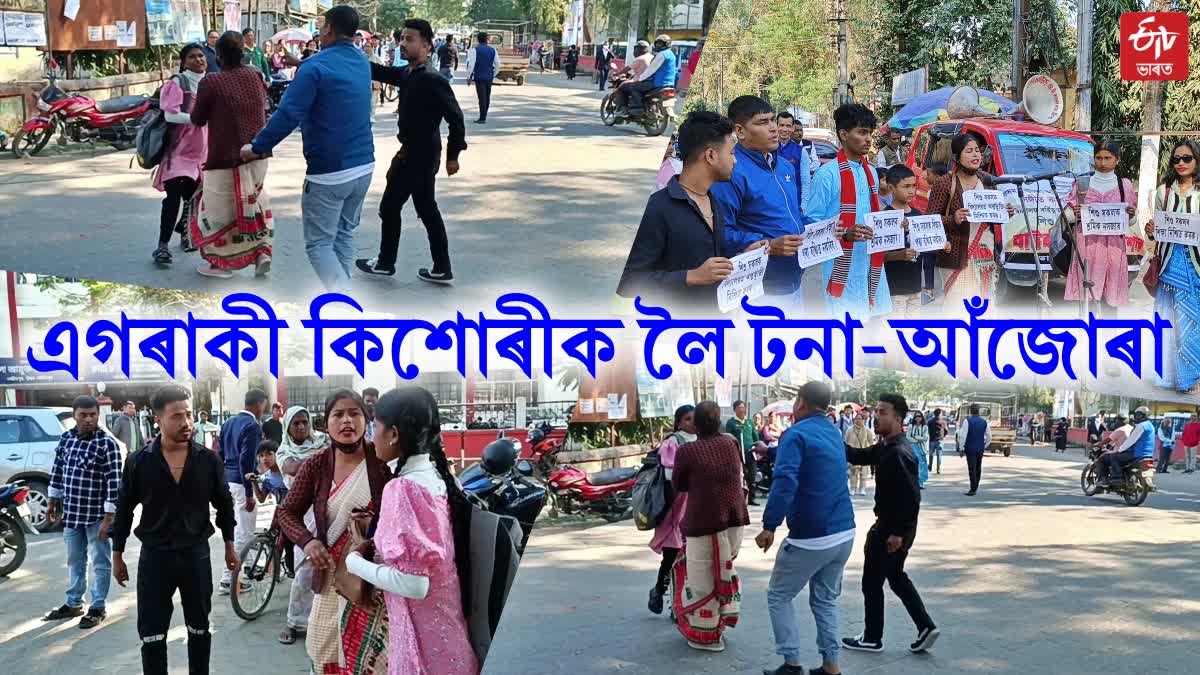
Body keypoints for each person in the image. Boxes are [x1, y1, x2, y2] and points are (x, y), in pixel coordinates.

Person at [344, 387, 479, 674]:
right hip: (446, 636)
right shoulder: (435, 478)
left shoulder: (403, 488)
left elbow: (416, 584)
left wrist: (355, 564)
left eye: (374, 426)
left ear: (393, 435)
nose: (371, 435)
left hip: (424, 645)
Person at [242, 6, 374, 292]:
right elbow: (327, 66)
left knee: (319, 244)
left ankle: (345, 304)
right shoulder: (361, 60)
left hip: (329, 172)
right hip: (364, 165)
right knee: (344, 234)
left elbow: (288, 115)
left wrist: (257, 147)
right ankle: (344, 290)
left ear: (327, 29)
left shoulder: (315, 68)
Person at [111, 385, 238, 675]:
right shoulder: (138, 462)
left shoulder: (208, 460)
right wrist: (117, 554)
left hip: (196, 555)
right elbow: (124, 509)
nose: (186, 423)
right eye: (177, 416)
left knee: (199, 627)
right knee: (152, 633)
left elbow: (224, 504)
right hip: (155, 558)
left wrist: (230, 546)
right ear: (158, 418)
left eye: (189, 415)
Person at [275, 389, 392, 673]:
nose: (346, 421)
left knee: (371, 659)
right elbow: (286, 511)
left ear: (367, 420)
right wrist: (308, 542)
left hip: (372, 581)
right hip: (329, 577)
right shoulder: (317, 465)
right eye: (338, 414)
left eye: (354, 413)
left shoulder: (382, 462)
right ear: (326, 423)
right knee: (322, 648)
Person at [358, 18, 466, 286]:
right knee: (427, 209)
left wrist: (453, 155)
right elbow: (381, 72)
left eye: (409, 39)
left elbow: (456, 118)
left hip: (418, 154)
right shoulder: (408, 73)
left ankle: (385, 262)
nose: (402, 44)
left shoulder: (432, 79)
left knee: (390, 207)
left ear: (427, 45)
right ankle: (441, 267)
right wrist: (351, 55)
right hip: (416, 152)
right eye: (402, 39)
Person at [756, 381, 855, 675]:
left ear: (800, 403)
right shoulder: (834, 432)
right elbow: (814, 461)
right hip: (844, 531)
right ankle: (831, 666)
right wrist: (773, 451)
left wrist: (769, 525)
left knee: (778, 596)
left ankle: (791, 663)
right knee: (824, 601)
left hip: (812, 536)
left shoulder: (795, 433)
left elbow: (786, 481)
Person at [618, 111, 760, 314]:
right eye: (731, 153)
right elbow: (628, 281)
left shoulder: (714, 202)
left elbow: (707, 253)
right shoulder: (658, 208)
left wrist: (744, 252)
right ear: (711, 155)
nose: (735, 161)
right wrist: (690, 276)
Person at [842, 394, 939, 656]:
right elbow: (860, 456)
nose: (876, 415)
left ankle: (873, 638)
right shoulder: (887, 445)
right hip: (895, 527)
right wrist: (833, 442)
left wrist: (897, 532)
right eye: (876, 411)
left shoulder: (899, 452)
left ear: (898, 417)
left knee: (872, 582)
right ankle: (925, 627)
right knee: (895, 577)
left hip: (891, 529)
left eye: (882, 412)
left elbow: (911, 497)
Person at [188, 30, 271, 280]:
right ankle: (261, 254)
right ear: (243, 52)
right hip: (258, 154)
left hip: (224, 157)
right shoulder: (254, 74)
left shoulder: (211, 82)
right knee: (253, 204)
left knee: (218, 213)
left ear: (219, 55)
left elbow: (197, 118)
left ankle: (220, 264)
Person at [711, 96, 806, 309]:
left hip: (796, 279)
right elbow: (719, 231)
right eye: (763, 122)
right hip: (760, 289)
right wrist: (768, 245)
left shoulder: (784, 167)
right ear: (740, 131)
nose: (774, 128)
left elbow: (794, 216)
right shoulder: (732, 171)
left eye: (773, 120)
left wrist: (827, 229)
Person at [671, 401, 750, 652]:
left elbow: (679, 485)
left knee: (702, 581)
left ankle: (705, 636)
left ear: (696, 424)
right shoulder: (731, 442)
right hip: (733, 521)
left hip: (703, 523)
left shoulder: (687, 452)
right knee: (723, 571)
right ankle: (720, 625)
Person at [40, 395, 123, 629]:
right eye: (83, 415)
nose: (88, 419)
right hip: (73, 514)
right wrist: (53, 500)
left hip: (97, 517)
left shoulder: (107, 444)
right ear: (74, 416)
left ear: (98, 415)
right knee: (75, 560)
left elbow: (114, 484)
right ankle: (74, 602)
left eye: (93, 415)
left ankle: (98, 606)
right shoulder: (66, 439)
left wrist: (109, 519)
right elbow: (57, 471)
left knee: (100, 561)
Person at [808, 103, 892, 318]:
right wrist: (845, 234)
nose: (869, 139)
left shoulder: (871, 172)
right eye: (862, 132)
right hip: (840, 265)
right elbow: (811, 225)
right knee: (844, 329)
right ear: (844, 134)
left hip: (870, 261)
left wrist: (891, 222)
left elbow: (872, 214)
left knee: (872, 325)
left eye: (870, 133)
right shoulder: (826, 175)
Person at [926, 133, 1013, 308]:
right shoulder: (944, 183)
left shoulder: (987, 181)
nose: (976, 155)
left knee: (984, 305)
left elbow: (989, 220)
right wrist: (953, 218)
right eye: (969, 151)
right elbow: (929, 222)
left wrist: (1003, 214)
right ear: (957, 157)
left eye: (977, 151)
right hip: (956, 256)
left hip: (984, 256)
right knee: (957, 307)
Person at [1146, 140, 1200, 394]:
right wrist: (1151, 230)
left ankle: (1189, 378)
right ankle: (1165, 375)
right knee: (1166, 320)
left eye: (1186, 158)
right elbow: (1156, 228)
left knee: (1191, 323)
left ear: (1196, 161)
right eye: (1176, 159)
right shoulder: (1163, 192)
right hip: (1168, 266)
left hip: (1195, 269)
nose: (1181, 163)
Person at [274, 405, 330, 645]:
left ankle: (322, 622)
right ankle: (294, 621)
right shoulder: (284, 450)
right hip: (300, 513)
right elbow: (292, 468)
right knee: (304, 569)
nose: (301, 427)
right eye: (295, 423)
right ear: (287, 426)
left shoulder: (323, 441)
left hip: (329, 507)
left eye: (304, 422)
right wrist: (325, 459)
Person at [1064, 141, 1137, 317]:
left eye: (1107, 158)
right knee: (1087, 297)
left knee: (1110, 301)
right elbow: (1067, 216)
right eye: (1098, 158)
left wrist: (1132, 214)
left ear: (1117, 160)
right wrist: (1075, 214)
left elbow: (1132, 221)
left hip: (1113, 248)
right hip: (1087, 246)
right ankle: (1086, 338)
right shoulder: (1082, 183)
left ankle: (1108, 339)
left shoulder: (1124, 185)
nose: (1103, 162)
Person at [152, 43, 209, 264]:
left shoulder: (209, 82)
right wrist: (195, 118)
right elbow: (170, 115)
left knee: (192, 198)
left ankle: (186, 235)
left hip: (201, 152)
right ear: (184, 61)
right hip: (178, 151)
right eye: (193, 57)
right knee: (173, 198)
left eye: (201, 56)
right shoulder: (177, 83)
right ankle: (162, 245)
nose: (199, 60)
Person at [216, 388, 267, 594]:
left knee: (239, 530)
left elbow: (219, 453)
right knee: (243, 532)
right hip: (241, 481)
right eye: (263, 405)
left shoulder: (228, 423)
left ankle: (243, 570)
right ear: (259, 404)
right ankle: (229, 578)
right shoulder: (252, 425)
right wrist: (249, 492)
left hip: (227, 480)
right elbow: (246, 460)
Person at [647, 405, 696, 615]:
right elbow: (669, 476)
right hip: (676, 506)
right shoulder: (673, 442)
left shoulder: (703, 440)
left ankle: (681, 603)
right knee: (671, 554)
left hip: (696, 505)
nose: (691, 422)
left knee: (692, 557)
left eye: (695, 418)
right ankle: (659, 591)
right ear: (678, 422)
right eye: (687, 419)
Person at [1101, 407, 1156, 485]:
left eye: (1138, 415)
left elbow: (1130, 441)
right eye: (1136, 415)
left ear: (1144, 416)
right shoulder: (1151, 425)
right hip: (1148, 454)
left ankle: (1117, 478)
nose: (1137, 417)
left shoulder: (1141, 426)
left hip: (1137, 454)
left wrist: (1120, 450)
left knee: (1114, 456)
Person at [626, 35, 677, 116]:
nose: (658, 45)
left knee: (634, 87)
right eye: (657, 43)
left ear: (666, 44)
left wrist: (640, 79)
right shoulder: (671, 55)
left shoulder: (662, 54)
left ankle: (637, 109)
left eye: (661, 44)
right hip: (670, 84)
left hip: (659, 83)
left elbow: (651, 70)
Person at [776, 112, 812, 215]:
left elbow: (805, 181)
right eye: (781, 125)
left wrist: (804, 206)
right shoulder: (768, 149)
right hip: (773, 203)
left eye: (788, 126)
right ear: (776, 126)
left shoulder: (801, 151)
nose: (785, 129)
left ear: (792, 128)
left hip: (794, 204)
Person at [726, 400, 760, 506]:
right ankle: (739, 499)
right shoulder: (731, 422)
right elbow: (728, 438)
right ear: (735, 409)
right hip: (738, 453)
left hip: (750, 452)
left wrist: (756, 447)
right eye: (739, 408)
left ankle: (752, 498)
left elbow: (755, 437)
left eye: (743, 407)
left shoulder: (749, 422)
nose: (742, 410)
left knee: (752, 475)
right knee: (739, 476)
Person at [956, 403, 991, 496]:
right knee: (978, 467)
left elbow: (963, 436)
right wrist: (984, 446)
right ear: (979, 410)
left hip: (970, 448)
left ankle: (973, 488)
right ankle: (975, 486)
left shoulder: (967, 421)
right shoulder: (984, 422)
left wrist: (961, 448)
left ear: (970, 411)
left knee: (972, 468)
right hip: (980, 448)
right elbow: (989, 437)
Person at [465, 31, 499, 124]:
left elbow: (471, 65)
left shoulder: (475, 50)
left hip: (479, 76)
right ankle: (484, 115)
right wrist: (494, 74)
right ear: (487, 39)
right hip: (489, 76)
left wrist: (468, 77)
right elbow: (497, 64)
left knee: (481, 97)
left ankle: (482, 117)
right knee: (487, 96)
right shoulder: (493, 50)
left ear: (478, 40)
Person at [611, 41, 653, 112]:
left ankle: (623, 108)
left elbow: (627, 68)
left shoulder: (640, 58)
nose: (635, 51)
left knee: (621, 87)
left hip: (640, 81)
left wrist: (617, 73)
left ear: (640, 49)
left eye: (636, 49)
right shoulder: (652, 57)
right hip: (650, 82)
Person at [844, 412, 875, 496]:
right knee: (853, 473)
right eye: (856, 419)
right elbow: (846, 442)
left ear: (863, 420)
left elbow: (871, 442)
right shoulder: (849, 430)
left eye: (860, 419)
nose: (858, 420)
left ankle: (862, 489)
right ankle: (853, 488)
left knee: (863, 473)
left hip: (864, 453)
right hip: (853, 454)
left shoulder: (867, 430)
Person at [248, 440, 287, 504]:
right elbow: (261, 499)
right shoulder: (266, 478)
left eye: (269, 454)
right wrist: (253, 481)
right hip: (284, 511)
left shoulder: (288, 470)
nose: (265, 458)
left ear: (277, 454)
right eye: (261, 455)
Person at [907, 411, 931, 487]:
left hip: (922, 448)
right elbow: (908, 437)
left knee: (922, 464)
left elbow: (925, 437)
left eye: (919, 416)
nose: (918, 418)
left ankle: (921, 482)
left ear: (922, 417)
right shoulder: (911, 426)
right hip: (913, 447)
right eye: (916, 416)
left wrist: (916, 437)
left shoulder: (925, 427)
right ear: (914, 417)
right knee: (914, 464)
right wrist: (916, 440)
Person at [926, 409, 946, 474]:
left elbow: (927, 430)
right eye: (941, 414)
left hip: (932, 440)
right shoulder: (943, 422)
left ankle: (930, 467)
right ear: (940, 414)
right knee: (939, 455)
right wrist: (942, 436)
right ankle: (938, 469)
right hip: (939, 440)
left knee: (931, 454)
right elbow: (946, 431)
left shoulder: (930, 421)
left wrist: (931, 435)